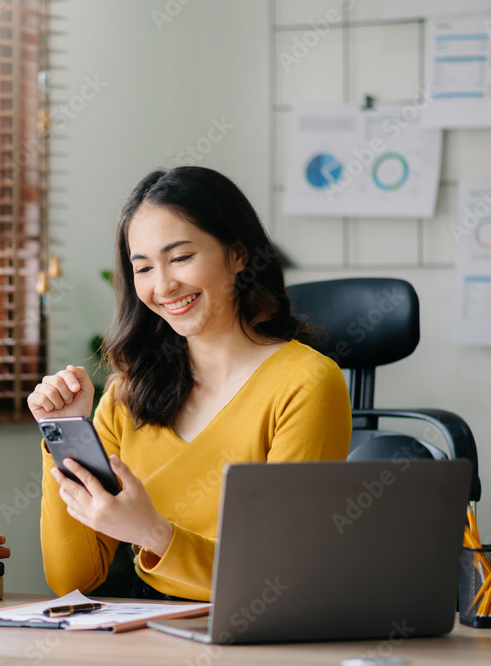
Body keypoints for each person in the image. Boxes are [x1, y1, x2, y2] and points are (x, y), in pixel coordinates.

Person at [27, 166, 352, 601]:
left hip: (260, 636)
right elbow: (73, 579)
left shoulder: (307, 383)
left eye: (180, 258)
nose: (163, 286)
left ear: (238, 255)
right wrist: (65, 434)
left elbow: (280, 579)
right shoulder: (129, 394)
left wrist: (155, 534)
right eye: (142, 268)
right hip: (155, 633)